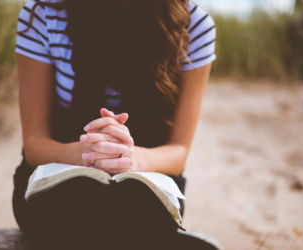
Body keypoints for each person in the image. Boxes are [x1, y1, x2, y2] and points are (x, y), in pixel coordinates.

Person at [12, 0, 219, 249]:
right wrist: (85, 154)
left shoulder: (194, 26)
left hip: (146, 187)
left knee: (132, 222)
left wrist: (129, 159)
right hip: (57, 182)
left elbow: (179, 151)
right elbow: (34, 143)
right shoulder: (44, 14)